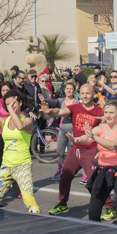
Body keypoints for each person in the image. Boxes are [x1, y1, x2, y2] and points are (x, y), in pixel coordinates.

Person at [0, 88, 40, 213]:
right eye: (8, 104)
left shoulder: (27, 121)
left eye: (13, 104)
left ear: (20, 103)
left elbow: (20, 126)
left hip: (22, 166)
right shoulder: (4, 121)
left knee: (29, 201)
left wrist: (10, 110)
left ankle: (38, 221)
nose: (11, 107)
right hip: (6, 166)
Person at [43, 83, 104, 216]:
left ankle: (109, 206)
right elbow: (60, 112)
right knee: (65, 176)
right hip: (74, 150)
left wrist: (101, 150)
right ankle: (62, 204)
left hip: (91, 151)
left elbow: (104, 132)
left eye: (87, 93)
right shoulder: (75, 108)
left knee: (95, 181)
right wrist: (50, 111)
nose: (85, 96)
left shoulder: (99, 112)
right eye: (82, 93)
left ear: (93, 94)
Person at [82, 100, 117, 227]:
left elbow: (113, 145)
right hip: (103, 170)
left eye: (111, 112)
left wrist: (94, 137)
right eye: (106, 112)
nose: (108, 115)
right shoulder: (101, 128)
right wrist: (76, 139)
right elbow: (87, 139)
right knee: (93, 212)